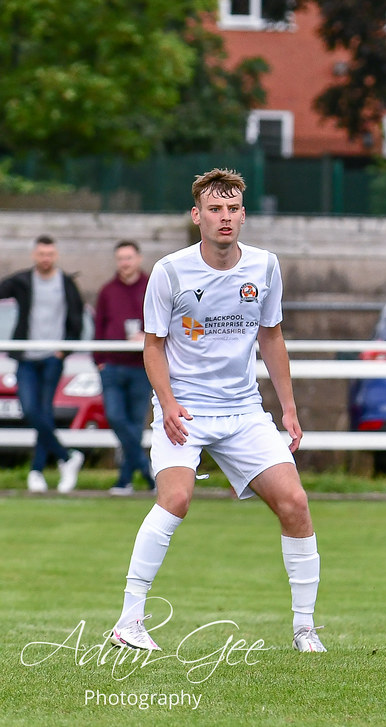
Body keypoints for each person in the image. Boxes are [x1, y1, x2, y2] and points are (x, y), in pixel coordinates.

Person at [109, 169, 327, 653]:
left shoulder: (266, 266)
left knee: (295, 504)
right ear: (197, 216)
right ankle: (129, 621)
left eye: (232, 209)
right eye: (214, 209)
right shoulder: (170, 271)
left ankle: (305, 629)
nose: (224, 218)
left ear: (243, 215)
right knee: (177, 499)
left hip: (244, 411)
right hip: (185, 408)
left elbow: (271, 337)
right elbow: (152, 346)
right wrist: (167, 404)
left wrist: (288, 408)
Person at [0, 235, 86, 493]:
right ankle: (67, 456)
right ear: (34, 255)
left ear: (55, 255)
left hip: (52, 359)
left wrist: (63, 350)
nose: (45, 259)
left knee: (44, 412)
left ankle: (36, 471)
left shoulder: (67, 284)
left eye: (49, 254)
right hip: (26, 358)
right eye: (41, 254)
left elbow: (77, 321)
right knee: (31, 410)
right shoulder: (23, 281)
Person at [94, 240, 156, 496]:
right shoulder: (107, 291)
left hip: (142, 366)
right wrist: (98, 359)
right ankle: (147, 470)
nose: (125, 263)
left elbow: (164, 322)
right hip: (112, 364)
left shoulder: (152, 286)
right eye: (120, 258)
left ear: (138, 258)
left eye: (129, 257)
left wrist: (146, 338)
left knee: (135, 422)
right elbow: (98, 326)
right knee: (116, 417)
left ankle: (124, 480)